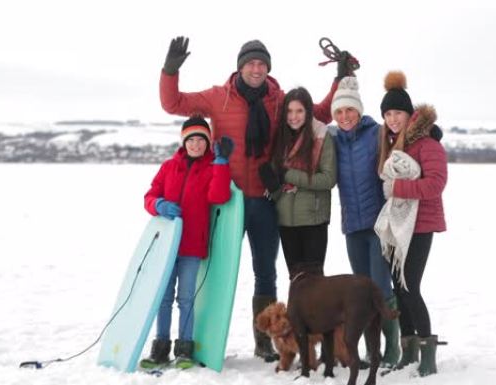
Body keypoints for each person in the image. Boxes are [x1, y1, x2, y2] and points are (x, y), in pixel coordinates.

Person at [158, 36, 353, 362]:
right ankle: (204, 337)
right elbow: (173, 103)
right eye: (251, 63)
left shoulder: (278, 100)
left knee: (265, 272)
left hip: (265, 200)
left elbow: (318, 112)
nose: (256, 68)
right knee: (215, 270)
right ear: (240, 66)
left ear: (268, 68)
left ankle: (265, 341)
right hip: (226, 203)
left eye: (262, 64)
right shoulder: (218, 97)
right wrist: (169, 71)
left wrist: (341, 79)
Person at [140, 116, 234, 369]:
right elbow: (149, 196)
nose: (195, 144)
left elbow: (219, 196)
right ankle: (160, 348)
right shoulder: (169, 167)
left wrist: (222, 163)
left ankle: (184, 348)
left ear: (207, 143)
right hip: (166, 246)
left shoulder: (211, 167)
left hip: (192, 246)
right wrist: (158, 205)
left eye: (200, 140)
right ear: (184, 142)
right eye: (190, 140)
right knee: (163, 297)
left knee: (186, 298)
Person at [376, 71, 447, 377]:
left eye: (398, 113)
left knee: (411, 286)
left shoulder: (427, 143)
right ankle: (409, 349)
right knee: (399, 287)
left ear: (409, 114)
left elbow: (435, 184)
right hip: (399, 224)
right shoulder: (395, 143)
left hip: (421, 224)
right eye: (388, 114)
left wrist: (398, 189)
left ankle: (428, 352)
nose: (392, 119)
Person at [328, 76, 401, 368]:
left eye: (350, 110)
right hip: (352, 228)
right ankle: (374, 350)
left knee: (380, 288)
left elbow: (404, 133)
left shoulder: (377, 133)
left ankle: (392, 347)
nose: (345, 117)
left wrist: (429, 130)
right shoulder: (333, 140)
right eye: (339, 112)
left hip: (378, 226)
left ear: (359, 111)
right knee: (361, 293)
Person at [258, 87, 336, 276]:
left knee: (315, 285)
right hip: (286, 221)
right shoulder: (281, 139)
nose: (294, 116)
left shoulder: (321, 136)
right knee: (296, 281)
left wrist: (288, 174)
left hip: (313, 219)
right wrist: (272, 184)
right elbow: (279, 182)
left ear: (308, 111)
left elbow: (328, 179)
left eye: (299, 111)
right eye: (289, 111)